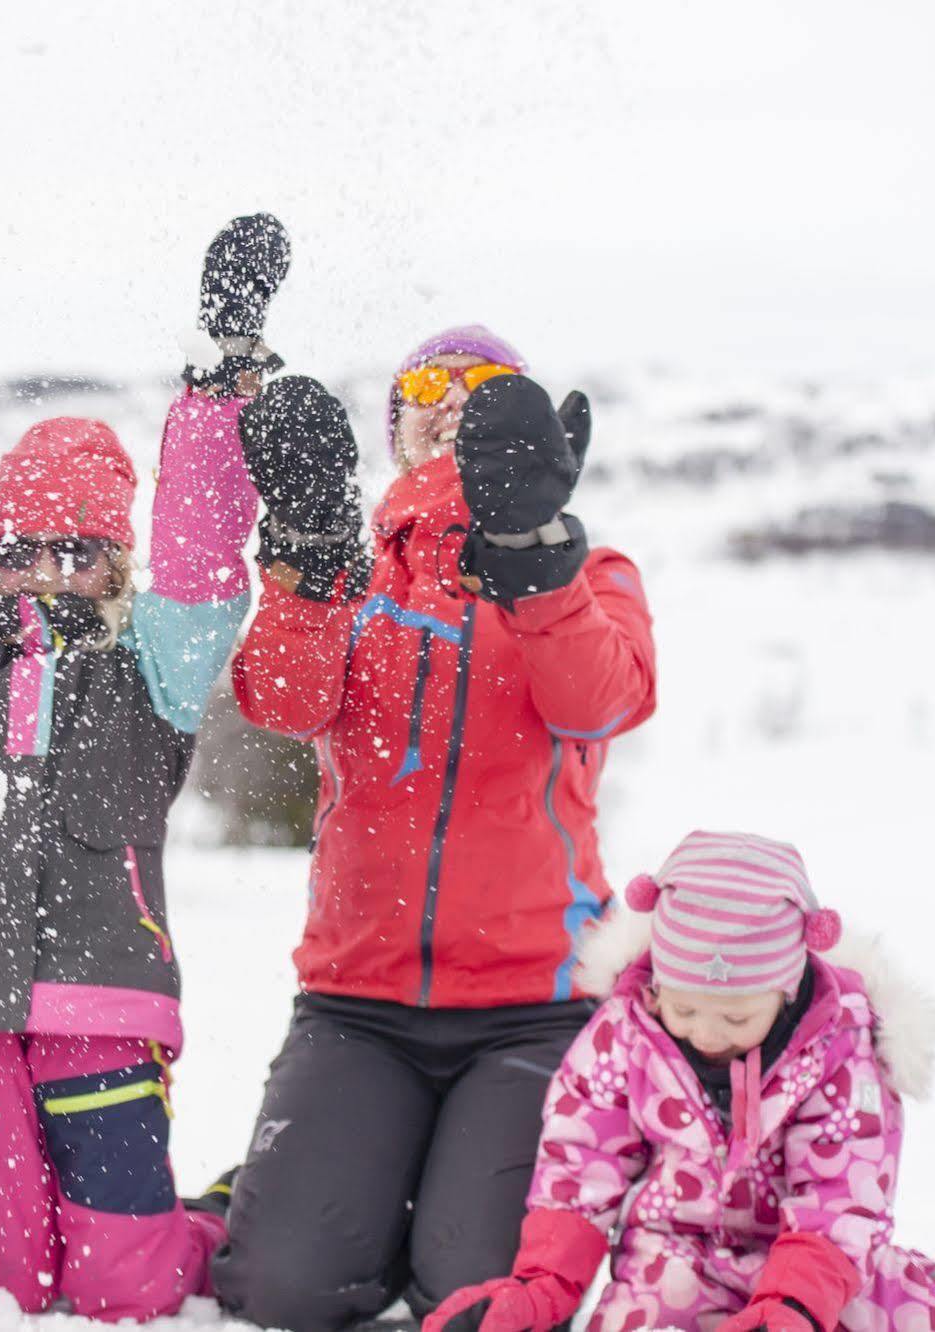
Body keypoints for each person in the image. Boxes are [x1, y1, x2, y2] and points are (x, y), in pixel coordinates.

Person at [0, 216, 288, 1320]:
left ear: (114, 561)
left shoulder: (159, 668)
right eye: (18, 549)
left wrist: (217, 381)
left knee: (121, 1294)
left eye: (77, 550)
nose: (45, 570)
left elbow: (200, 553)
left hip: (104, 995)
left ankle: (213, 1218)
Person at [213, 328, 658, 1331]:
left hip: (532, 1007)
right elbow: (280, 702)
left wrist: (535, 556)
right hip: (356, 1003)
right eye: (426, 383)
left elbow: (600, 703)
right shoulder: (348, 565)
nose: (451, 398)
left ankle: (449, 1185)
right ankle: (323, 1179)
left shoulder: (591, 570)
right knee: (284, 1290)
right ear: (397, 422)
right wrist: (304, 565)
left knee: (473, 1286)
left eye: (486, 387)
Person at [421, 830, 935, 1332]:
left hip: (808, 1253)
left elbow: (841, 1199)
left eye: (736, 1019)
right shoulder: (624, 1033)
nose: (707, 1035)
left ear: (787, 991)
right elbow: (579, 1164)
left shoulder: (838, 1050)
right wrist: (544, 1284)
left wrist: (793, 1306)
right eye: (683, 1011)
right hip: (673, 1254)